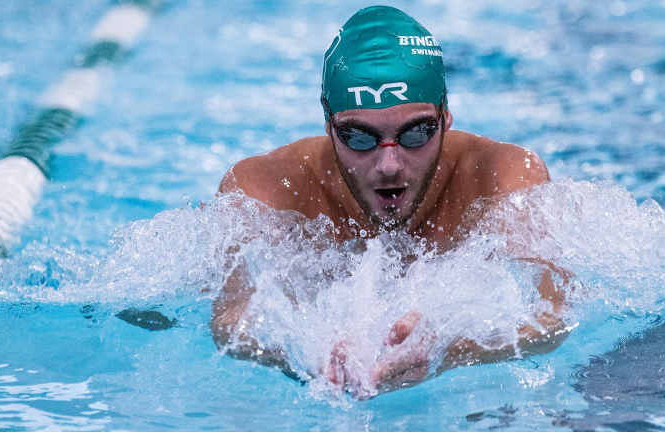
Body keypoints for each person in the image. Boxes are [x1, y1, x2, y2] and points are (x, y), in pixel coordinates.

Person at [210, 5, 568, 397]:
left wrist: (449, 348)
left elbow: (550, 318)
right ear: (329, 125)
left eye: (415, 134)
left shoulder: (500, 177)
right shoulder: (267, 188)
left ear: (445, 116)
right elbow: (232, 320)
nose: (389, 165)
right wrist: (305, 350)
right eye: (359, 137)